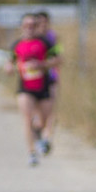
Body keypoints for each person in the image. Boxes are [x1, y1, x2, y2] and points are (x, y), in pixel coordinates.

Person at [5, 13, 59, 166]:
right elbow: (9, 63)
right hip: (25, 88)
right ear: (21, 27)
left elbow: (58, 59)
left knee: (43, 120)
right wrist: (10, 68)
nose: (29, 28)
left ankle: (42, 138)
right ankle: (32, 153)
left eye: (32, 25)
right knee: (27, 118)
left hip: (43, 85)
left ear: (37, 27)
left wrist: (41, 65)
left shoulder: (45, 42)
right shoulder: (16, 44)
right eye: (26, 25)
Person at [36, 11, 62, 152]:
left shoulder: (53, 37)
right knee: (37, 113)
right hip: (34, 81)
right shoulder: (31, 38)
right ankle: (39, 134)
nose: (43, 26)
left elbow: (59, 56)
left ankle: (46, 138)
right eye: (40, 23)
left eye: (45, 22)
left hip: (51, 77)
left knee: (50, 110)